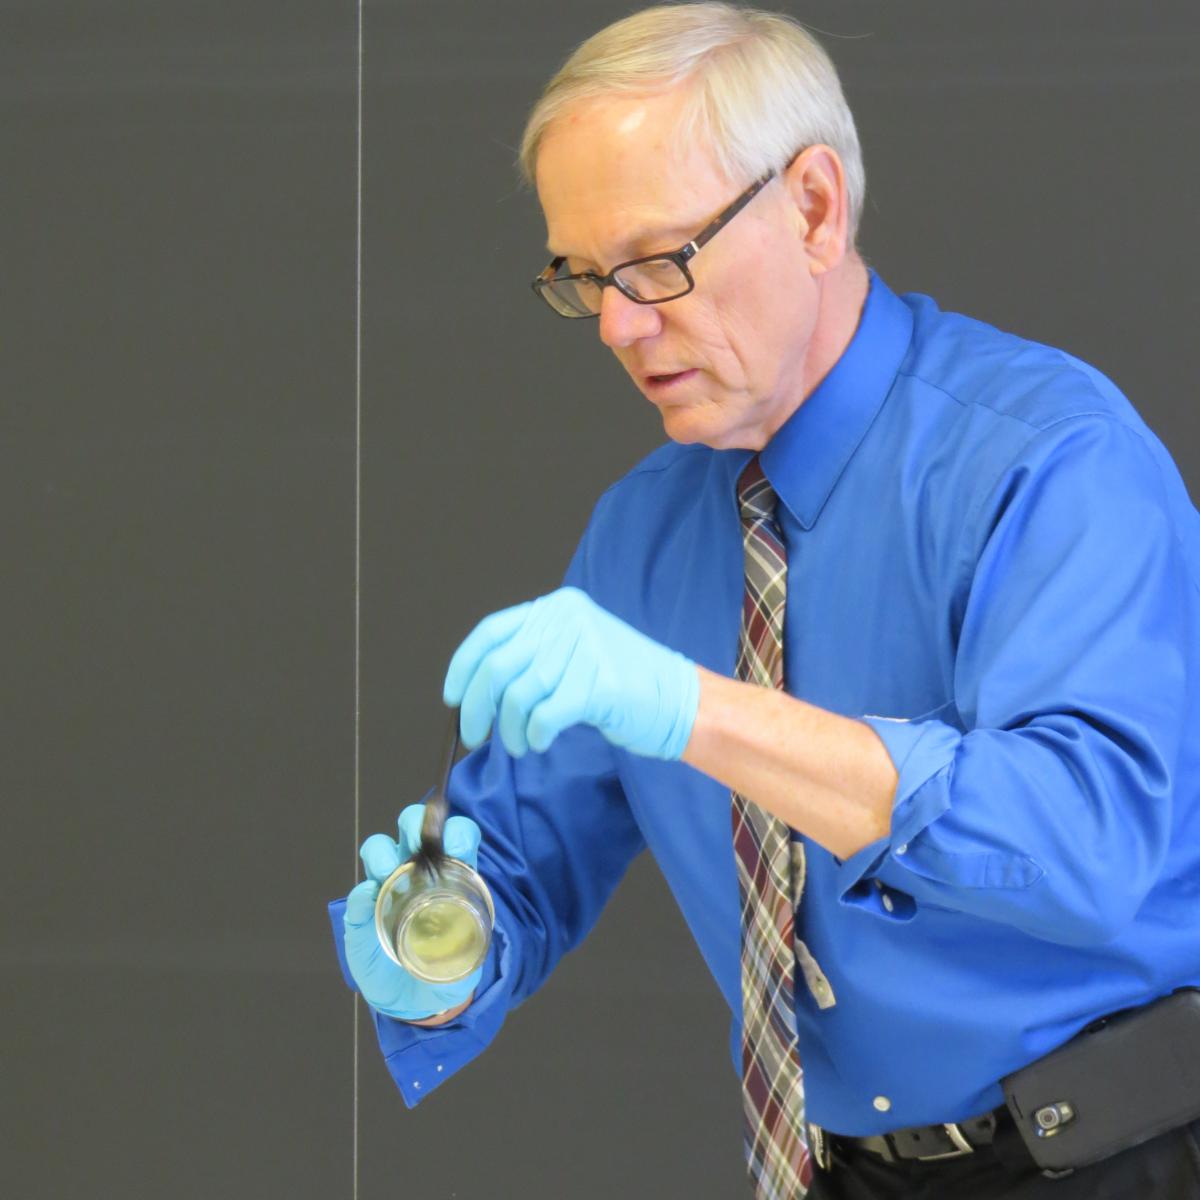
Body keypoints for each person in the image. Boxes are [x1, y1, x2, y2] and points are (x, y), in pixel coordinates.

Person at [327, 4, 1200, 1197]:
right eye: (585, 281)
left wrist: (692, 708)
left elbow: (1091, 845)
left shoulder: (1048, 462)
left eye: (656, 263)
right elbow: (515, 867)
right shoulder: (642, 533)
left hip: (1112, 1158)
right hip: (826, 1171)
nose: (623, 327)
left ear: (814, 207)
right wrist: (438, 944)